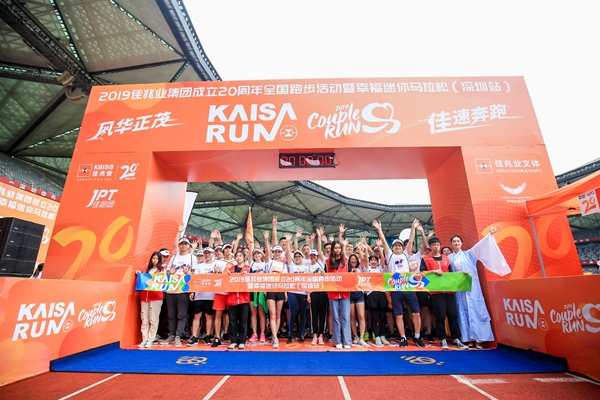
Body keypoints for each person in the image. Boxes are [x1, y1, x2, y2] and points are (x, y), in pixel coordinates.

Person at [449, 226, 511, 349]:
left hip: (472, 288)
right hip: (459, 290)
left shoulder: (469, 254)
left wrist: (489, 235)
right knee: (462, 312)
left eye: (458, 241)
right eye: (454, 241)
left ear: (461, 243)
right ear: (451, 244)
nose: (456, 243)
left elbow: (480, 246)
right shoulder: (450, 258)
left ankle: (479, 339)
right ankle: (468, 338)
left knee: (476, 310)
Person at [373, 220, 425, 348]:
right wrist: (379, 229)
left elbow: (411, 241)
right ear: (392, 248)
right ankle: (403, 337)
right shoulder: (390, 255)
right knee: (399, 315)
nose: (397, 247)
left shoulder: (406, 255)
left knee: (416, 313)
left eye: (399, 246)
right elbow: (384, 242)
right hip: (395, 289)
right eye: (395, 246)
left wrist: (413, 228)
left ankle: (417, 336)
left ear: (402, 248)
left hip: (408, 287)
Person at [420, 236, 468, 350]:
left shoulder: (446, 258)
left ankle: (456, 338)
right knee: (440, 316)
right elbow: (422, 273)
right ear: (430, 247)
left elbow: (451, 274)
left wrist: (462, 274)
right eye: (434, 245)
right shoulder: (426, 259)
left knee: (453, 315)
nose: (436, 247)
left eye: (438, 245)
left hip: (449, 291)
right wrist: (433, 271)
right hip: (436, 292)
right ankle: (442, 338)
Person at [160, 237, 196, 347]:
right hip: (171, 289)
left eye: (186, 244)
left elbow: (194, 274)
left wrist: (187, 274)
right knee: (171, 314)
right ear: (179, 245)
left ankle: (178, 336)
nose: (183, 246)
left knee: (182, 314)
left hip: (183, 289)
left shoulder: (192, 258)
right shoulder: (174, 257)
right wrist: (170, 273)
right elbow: (168, 272)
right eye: (182, 244)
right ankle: (172, 334)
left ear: (189, 246)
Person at [326, 224, 351, 349]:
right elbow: (325, 275)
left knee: (345, 317)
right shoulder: (327, 261)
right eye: (335, 248)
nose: (337, 250)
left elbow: (351, 273)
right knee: (335, 317)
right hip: (333, 293)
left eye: (339, 248)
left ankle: (347, 341)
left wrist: (340, 234)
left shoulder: (345, 260)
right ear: (332, 249)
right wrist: (323, 274)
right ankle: (338, 341)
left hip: (345, 292)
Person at [264, 230, 289, 348]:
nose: (277, 253)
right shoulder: (269, 262)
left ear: (281, 253)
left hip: (280, 291)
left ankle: (275, 336)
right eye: (275, 252)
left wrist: (285, 293)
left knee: (278, 314)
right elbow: (267, 253)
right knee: (272, 314)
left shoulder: (284, 265)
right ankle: (274, 337)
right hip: (270, 290)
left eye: (279, 252)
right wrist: (266, 240)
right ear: (273, 252)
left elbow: (285, 280)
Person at [188, 247, 217, 346]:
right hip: (199, 295)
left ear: (213, 254)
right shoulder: (199, 266)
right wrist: (192, 291)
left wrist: (216, 273)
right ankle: (194, 336)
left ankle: (208, 335)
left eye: (209, 253)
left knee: (209, 316)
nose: (207, 255)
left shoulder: (216, 265)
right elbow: (195, 279)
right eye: (206, 253)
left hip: (210, 295)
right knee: (197, 315)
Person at [137, 252, 163, 348]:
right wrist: (139, 274)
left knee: (153, 319)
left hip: (156, 296)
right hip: (144, 296)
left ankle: (151, 339)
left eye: (156, 259)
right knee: (144, 319)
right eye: (153, 258)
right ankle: (144, 339)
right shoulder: (146, 270)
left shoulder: (162, 271)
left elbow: (162, 283)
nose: (154, 260)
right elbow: (142, 281)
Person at [226, 250, 251, 349]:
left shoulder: (248, 268)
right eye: (237, 256)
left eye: (240, 256)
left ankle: (242, 341)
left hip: (244, 298)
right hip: (232, 298)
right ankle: (233, 341)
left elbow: (253, 281)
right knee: (232, 320)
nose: (238, 257)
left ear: (244, 258)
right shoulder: (230, 269)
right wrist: (227, 275)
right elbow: (225, 282)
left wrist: (247, 276)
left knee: (243, 320)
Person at [286, 247, 309, 343]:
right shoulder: (291, 266)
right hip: (293, 292)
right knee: (293, 313)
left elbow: (308, 281)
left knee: (302, 314)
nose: (297, 258)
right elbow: (288, 254)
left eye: (299, 256)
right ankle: (290, 334)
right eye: (295, 256)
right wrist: (288, 243)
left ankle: (301, 334)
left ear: (302, 258)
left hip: (303, 293)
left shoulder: (306, 268)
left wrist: (308, 294)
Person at [311, 228, 328, 345]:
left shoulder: (321, 263)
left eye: (315, 255)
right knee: (314, 314)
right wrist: (308, 294)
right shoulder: (307, 266)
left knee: (322, 314)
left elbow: (319, 249)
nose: (313, 257)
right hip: (313, 292)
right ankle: (314, 335)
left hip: (322, 291)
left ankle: (321, 335)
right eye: (311, 255)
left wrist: (319, 236)